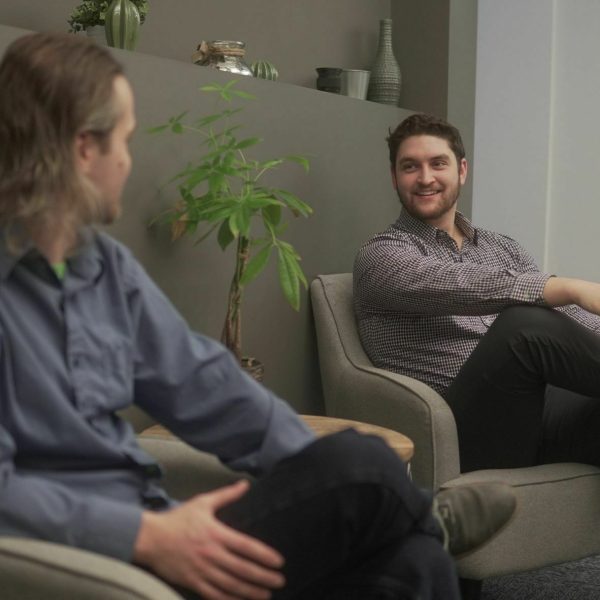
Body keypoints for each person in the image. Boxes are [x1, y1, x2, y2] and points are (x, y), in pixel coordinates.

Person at [0, 33, 516, 600]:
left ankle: (415, 522)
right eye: (124, 140)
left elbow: (206, 388)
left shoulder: (102, 267)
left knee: (412, 561)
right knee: (362, 463)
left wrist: (325, 479)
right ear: (82, 150)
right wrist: (145, 535)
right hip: (90, 560)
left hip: (155, 521)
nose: (128, 158)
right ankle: (424, 514)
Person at [354, 112, 600, 474]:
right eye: (410, 167)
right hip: (466, 430)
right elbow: (454, 284)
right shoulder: (380, 255)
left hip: (539, 413)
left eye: (438, 163)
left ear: (462, 171)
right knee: (523, 327)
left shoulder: (503, 248)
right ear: (394, 178)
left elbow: (571, 320)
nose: (425, 178)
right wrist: (566, 287)